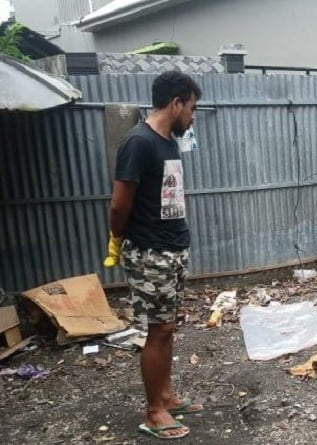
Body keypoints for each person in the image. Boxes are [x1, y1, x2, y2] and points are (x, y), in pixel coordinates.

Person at [103, 70, 203, 439]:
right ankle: (153, 411)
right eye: (191, 108)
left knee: (167, 327)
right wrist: (118, 241)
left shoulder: (168, 141)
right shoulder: (139, 142)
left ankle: (166, 396)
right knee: (157, 331)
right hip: (151, 253)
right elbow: (119, 205)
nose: (192, 116)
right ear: (176, 103)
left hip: (172, 248)